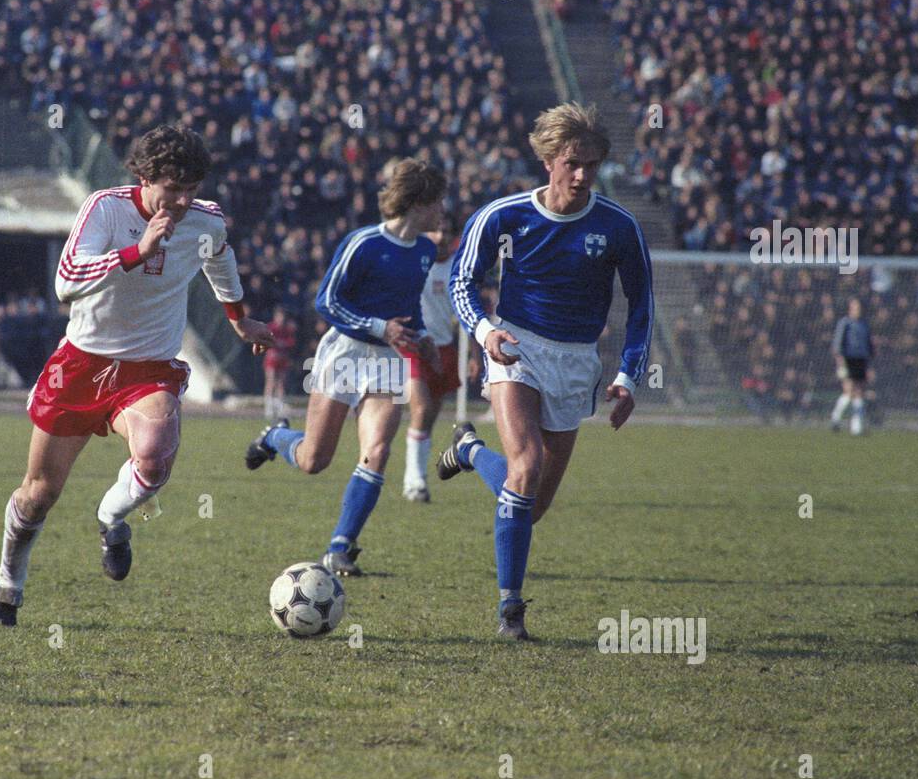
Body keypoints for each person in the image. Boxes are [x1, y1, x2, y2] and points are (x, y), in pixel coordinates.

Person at [0, 125, 274, 626]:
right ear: (145, 176)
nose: (183, 200)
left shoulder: (205, 222)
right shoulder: (106, 208)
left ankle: (110, 517)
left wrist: (239, 318)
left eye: (192, 188)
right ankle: (8, 587)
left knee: (156, 454)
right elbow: (65, 281)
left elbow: (219, 260)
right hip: (82, 364)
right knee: (38, 495)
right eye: (172, 188)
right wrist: (137, 251)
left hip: (148, 368)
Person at [438, 102, 654, 640]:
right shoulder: (503, 216)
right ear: (548, 160)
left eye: (591, 166)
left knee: (530, 507)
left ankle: (468, 451)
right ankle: (510, 611)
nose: (582, 175)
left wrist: (628, 377)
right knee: (526, 466)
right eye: (572, 163)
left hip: (577, 359)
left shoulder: (618, 227)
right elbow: (460, 283)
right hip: (516, 347)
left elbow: (643, 303)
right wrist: (487, 333)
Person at [244, 158, 445, 577]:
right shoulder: (364, 243)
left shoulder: (426, 251)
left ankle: (339, 547)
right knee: (315, 460)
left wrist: (422, 336)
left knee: (377, 450)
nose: (443, 209)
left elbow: (408, 307)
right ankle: (276, 435)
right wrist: (378, 326)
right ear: (418, 202)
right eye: (438, 201)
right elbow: (326, 302)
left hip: (388, 359)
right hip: (345, 353)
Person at [400, 216, 471, 502]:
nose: (440, 236)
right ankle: (415, 482)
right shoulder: (415, 259)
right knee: (421, 408)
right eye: (435, 230)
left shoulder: (458, 265)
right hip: (414, 345)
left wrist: (475, 354)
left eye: (446, 231)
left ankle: (414, 479)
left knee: (428, 418)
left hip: (445, 348)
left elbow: (468, 311)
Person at [830, 297, 873, 435]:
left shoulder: (864, 324)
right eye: (855, 308)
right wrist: (840, 360)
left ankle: (856, 426)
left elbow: (868, 344)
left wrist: (869, 362)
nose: (857, 310)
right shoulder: (845, 323)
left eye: (859, 308)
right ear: (850, 309)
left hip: (861, 360)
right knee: (849, 390)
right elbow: (837, 343)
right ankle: (835, 418)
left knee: (859, 392)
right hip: (848, 359)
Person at [262, 305, 296, 420]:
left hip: (282, 359)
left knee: (281, 383)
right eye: (279, 316)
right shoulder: (271, 328)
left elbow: (291, 342)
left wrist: (284, 344)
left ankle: (280, 406)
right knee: (271, 381)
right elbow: (267, 341)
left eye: (283, 316)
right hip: (272, 359)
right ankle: (269, 407)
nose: (281, 319)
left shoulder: (287, 329)